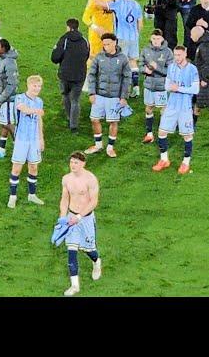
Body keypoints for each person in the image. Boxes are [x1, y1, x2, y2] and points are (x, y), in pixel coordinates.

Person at [59, 151, 101, 296]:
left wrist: (79, 216)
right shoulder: (66, 179)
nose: (73, 165)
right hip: (71, 218)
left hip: (86, 219)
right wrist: (62, 218)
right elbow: (64, 199)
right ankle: (75, 285)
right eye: (71, 162)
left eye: (76, 162)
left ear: (83, 163)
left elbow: (94, 201)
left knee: (89, 250)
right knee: (71, 252)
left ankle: (97, 262)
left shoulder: (91, 179)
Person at [152, 45, 199, 174]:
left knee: (187, 135)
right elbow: (167, 86)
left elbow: (195, 90)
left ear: (185, 54)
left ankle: (186, 162)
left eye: (179, 55)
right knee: (161, 132)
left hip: (185, 107)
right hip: (171, 105)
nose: (177, 57)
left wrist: (178, 88)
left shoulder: (192, 69)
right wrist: (175, 88)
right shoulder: (172, 67)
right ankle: (164, 159)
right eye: (175, 55)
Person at [90, 0, 143, 97]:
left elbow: (102, 5)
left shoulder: (118, 2)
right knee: (133, 61)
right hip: (134, 37)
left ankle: (125, 90)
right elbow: (140, 23)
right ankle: (136, 87)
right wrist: (136, 34)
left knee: (122, 63)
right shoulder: (137, 5)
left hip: (121, 37)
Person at [85, 34, 132, 158]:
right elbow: (92, 75)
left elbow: (127, 78)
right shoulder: (99, 57)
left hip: (114, 97)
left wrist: (124, 96)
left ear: (115, 43)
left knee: (113, 121)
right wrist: (91, 92)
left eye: (108, 44)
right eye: (104, 44)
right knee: (94, 119)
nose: (106, 47)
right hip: (99, 95)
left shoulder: (123, 59)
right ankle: (98, 144)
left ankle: (110, 147)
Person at [8, 75, 46, 208]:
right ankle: (12, 197)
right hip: (22, 139)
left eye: (39, 86)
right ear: (28, 85)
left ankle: (32, 195)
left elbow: (39, 120)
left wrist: (41, 138)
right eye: (35, 86)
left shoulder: (39, 101)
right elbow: (22, 109)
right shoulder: (20, 97)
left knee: (34, 166)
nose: (37, 88)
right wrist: (37, 111)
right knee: (17, 168)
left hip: (34, 139)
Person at [51, 18, 90, 133]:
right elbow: (87, 55)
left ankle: (69, 118)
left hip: (65, 74)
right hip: (80, 74)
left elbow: (55, 57)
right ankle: (74, 126)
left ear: (68, 27)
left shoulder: (64, 40)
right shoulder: (84, 40)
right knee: (76, 100)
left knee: (66, 95)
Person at [82, 0, 118, 90]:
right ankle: (88, 81)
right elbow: (85, 17)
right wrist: (95, 27)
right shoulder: (93, 0)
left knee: (110, 56)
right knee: (93, 57)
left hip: (110, 33)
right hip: (96, 34)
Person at [139, 29, 174, 143]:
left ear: (162, 39)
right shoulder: (145, 50)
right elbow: (139, 66)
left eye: (158, 39)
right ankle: (149, 134)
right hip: (149, 84)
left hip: (161, 86)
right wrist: (145, 69)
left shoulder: (168, 52)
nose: (155, 41)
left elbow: (170, 71)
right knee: (149, 108)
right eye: (153, 38)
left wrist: (156, 68)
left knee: (163, 109)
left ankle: (162, 133)